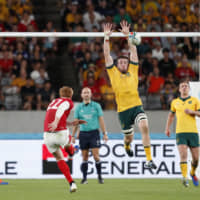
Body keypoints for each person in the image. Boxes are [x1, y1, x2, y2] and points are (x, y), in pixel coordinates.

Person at [103, 21, 156, 169]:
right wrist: (106, 37)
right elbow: (106, 55)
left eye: (124, 63)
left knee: (144, 126)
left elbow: (133, 52)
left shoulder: (133, 69)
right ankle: (127, 146)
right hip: (123, 111)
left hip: (136, 107)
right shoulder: (113, 73)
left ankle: (149, 160)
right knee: (128, 138)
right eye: (119, 63)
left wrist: (128, 36)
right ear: (117, 65)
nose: (122, 64)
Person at [43, 86, 86, 193]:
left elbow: (53, 115)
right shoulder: (68, 102)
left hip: (47, 135)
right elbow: (61, 110)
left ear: (60, 94)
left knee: (59, 158)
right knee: (68, 146)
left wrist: (70, 123)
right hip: (60, 133)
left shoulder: (53, 102)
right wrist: (57, 122)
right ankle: (72, 152)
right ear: (71, 95)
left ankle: (72, 183)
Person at [165, 80, 200, 187]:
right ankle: (184, 177)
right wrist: (167, 128)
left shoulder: (195, 101)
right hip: (180, 132)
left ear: (189, 89)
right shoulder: (175, 102)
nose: (184, 87)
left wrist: (192, 112)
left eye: (186, 86)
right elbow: (171, 115)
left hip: (193, 132)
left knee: (196, 159)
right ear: (179, 89)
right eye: (182, 86)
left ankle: (192, 172)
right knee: (183, 155)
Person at [72, 87, 108, 184]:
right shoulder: (78, 107)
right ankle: (84, 178)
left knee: (96, 156)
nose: (86, 94)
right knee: (85, 157)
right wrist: (73, 136)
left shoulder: (96, 106)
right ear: (81, 95)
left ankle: (100, 177)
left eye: (88, 92)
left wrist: (104, 133)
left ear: (91, 94)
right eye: (84, 92)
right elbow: (76, 122)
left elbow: (101, 120)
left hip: (94, 133)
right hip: (83, 134)